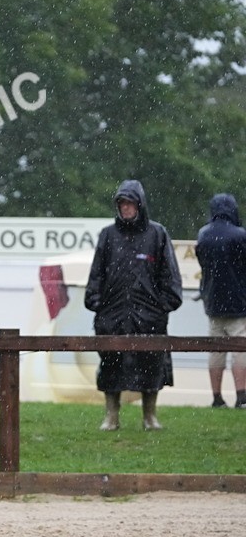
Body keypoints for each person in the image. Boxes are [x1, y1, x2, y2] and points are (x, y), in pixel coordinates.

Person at [84, 180, 183, 431]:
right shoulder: (108, 235)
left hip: (149, 317)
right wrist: (96, 303)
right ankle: (111, 416)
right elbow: (96, 274)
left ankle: (149, 416)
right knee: (110, 365)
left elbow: (169, 276)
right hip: (112, 314)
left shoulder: (157, 234)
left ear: (140, 205)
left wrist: (161, 307)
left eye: (130, 203)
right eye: (121, 204)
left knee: (152, 364)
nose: (125, 208)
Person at [195, 193, 246, 408]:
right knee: (240, 349)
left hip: (213, 302)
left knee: (216, 350)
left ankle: (216, 397)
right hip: (238, 303)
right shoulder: (240, 235)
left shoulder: (204, 234)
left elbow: (203, 264)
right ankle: (242, 396)